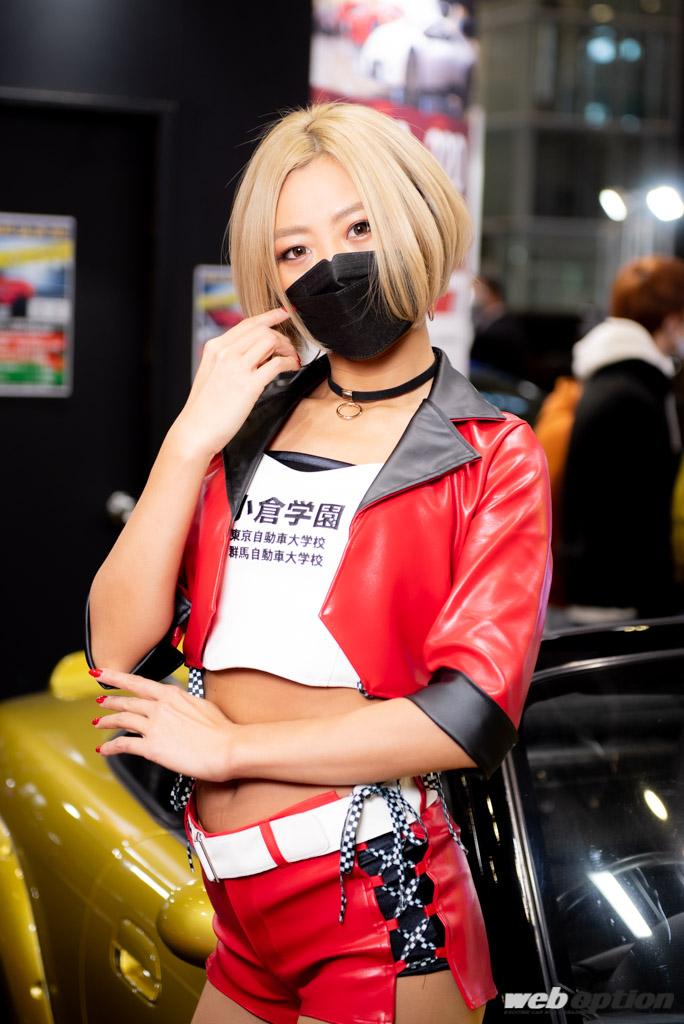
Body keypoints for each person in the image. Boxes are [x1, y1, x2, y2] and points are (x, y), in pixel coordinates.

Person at [85, 101, 552, 1024]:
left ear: (416, 225)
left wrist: (231, 749)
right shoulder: (242, 429)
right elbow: (116, 645)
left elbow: (471, 716)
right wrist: (189, 437)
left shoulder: (492, 454)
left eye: (359, 228)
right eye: (294, 249)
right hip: (236, 905)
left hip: (378, 901)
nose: (329, 265)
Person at [560, 254, 684, 624]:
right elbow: (636, 509)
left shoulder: (621, 381)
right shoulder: (631, 391)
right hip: (618, 600)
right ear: (671, 320)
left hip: (606, 590)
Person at [469, 274, 528, 380]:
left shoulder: (506, 326)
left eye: (479, 290)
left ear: (493, 294)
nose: (475, 295)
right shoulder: (483, 319)